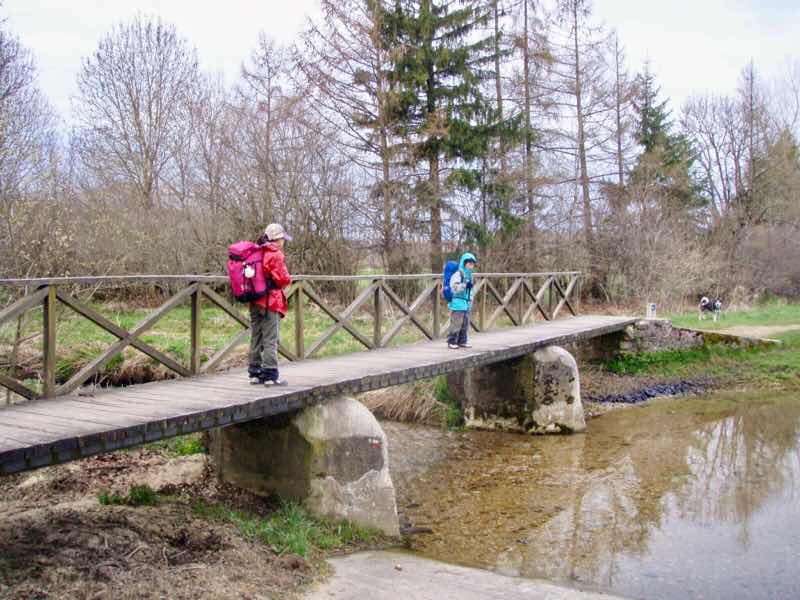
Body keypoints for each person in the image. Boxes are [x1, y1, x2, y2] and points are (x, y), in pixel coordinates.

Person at [248, 223, 292, 386]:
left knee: (256, 336)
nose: (284, 242)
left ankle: (254, 373)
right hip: (270, 302)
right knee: (271, 339)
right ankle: (270, 375)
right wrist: (289, 279)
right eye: (282, 239)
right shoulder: (275, 254)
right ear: (278, 240)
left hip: (254, 300)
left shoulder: (256, 251)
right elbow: (283, 279)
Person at [447, 252, 477, 349]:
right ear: (464, 263)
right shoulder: (458, 274)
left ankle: (462, 341)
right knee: (457, 323)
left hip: (466, 303)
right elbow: (454, 287)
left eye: (472, 264)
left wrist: (471, 301)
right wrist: (464, 285)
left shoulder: (470, 275)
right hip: (458, 302)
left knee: (465, 323)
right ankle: (452, 341)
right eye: (469, 263)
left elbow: (471, 291)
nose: (470, 266)